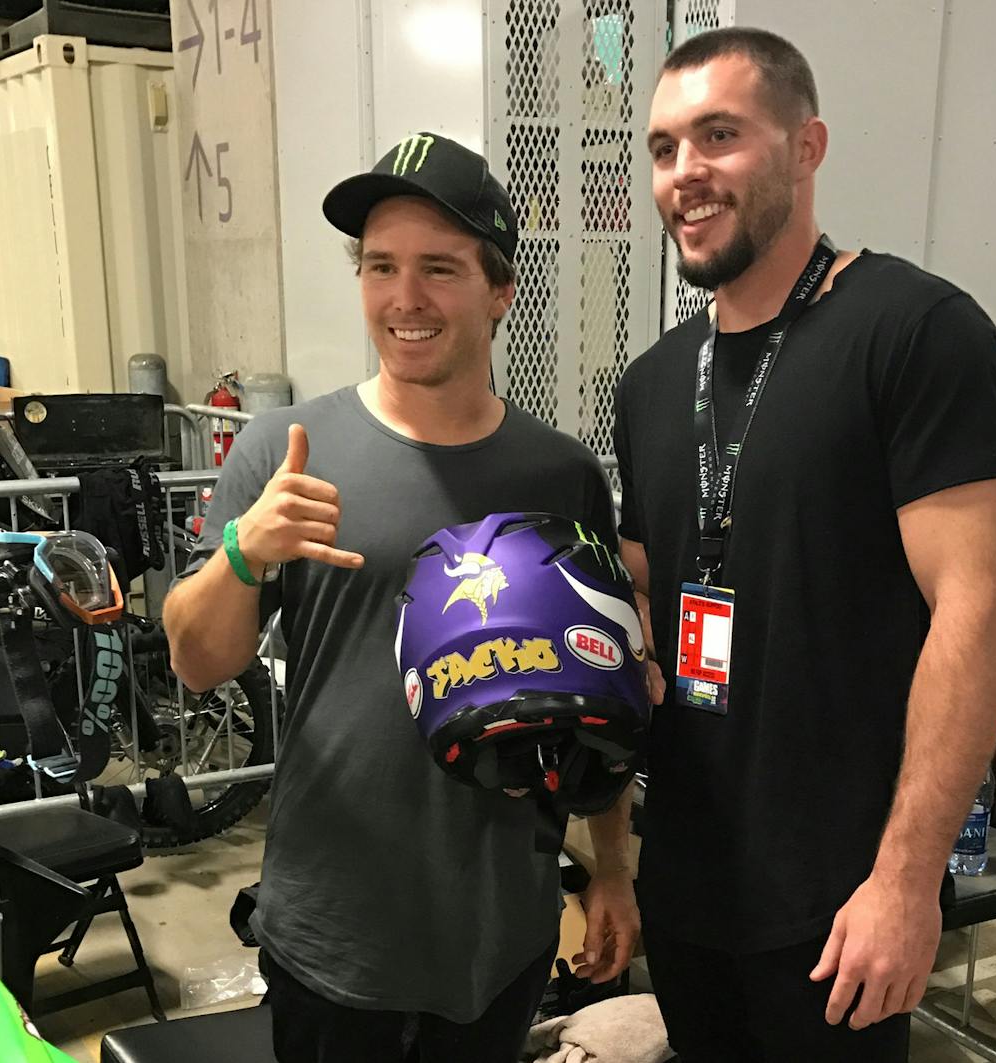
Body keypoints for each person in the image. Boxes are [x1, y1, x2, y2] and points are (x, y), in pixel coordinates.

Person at [164, 132, 640, 1063]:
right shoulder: (285, 448)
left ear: (499, 290)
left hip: (502, 926)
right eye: (380, 266)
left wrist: (613, 872)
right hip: (337, 928)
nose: (404, 298)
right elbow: (195, 658)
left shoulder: (562, 472)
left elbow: (601, 692)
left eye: (439, 268)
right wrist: (243, 552)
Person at [614, 28, 996, 1060]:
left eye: (719, 136)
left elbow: (972, 616)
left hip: (836, 902)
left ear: (806, 147)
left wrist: (905, 881)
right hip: (688, 884)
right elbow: (642, 600)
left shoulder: (915, 332)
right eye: (664, 148)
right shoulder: (654, 383)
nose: (685, 174)